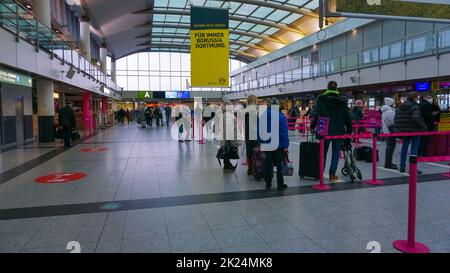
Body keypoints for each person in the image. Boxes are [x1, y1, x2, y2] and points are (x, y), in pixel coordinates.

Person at [311, 81, 353, 181]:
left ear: (327, 88)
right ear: (336, 88)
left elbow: (317, 114)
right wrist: (349, 129)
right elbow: (347, 116)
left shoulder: (321, 99)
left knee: (322, 152)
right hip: (339, 130)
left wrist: (312, 126)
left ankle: (320, 173)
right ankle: (332, 174)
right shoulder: (342, 100)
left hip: (324, 128)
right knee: (335, 153)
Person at [259, 98, 289, 190]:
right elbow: (283, 132)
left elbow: (260, 131)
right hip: (278, 145)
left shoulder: (263, 115)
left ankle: (268, 183)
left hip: (267, 144)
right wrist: (285, 146)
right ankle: (280, 184)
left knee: (268, 163)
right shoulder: (280, 116)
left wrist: (261, 142)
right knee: (279, 165)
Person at [394, 91, 427, 173]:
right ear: (415, 98)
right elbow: (415, 118)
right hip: (414, 131)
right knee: (414, 150)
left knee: (404, 148)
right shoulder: (415, 107)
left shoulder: (400, 106)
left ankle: (402, 166)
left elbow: (396, 118)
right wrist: (423, 126)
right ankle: (413, 168)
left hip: (404, 131)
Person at [381, 97, 397, 170]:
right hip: (390, 131)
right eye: (393, 103)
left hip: (386, 130)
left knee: (389, 147)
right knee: (391, 147)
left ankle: (388, 162)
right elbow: (394, 121)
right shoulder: (389, 112)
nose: (394, 104)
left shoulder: (385, 110)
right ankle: (388, 163)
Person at [245, 95, 258, 176]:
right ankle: (254, 168)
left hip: (249, 134)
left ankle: (250, 169)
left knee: (249, 152)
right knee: (255, 151)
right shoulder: (253, 110)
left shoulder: (247, 110)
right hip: (254, 134)